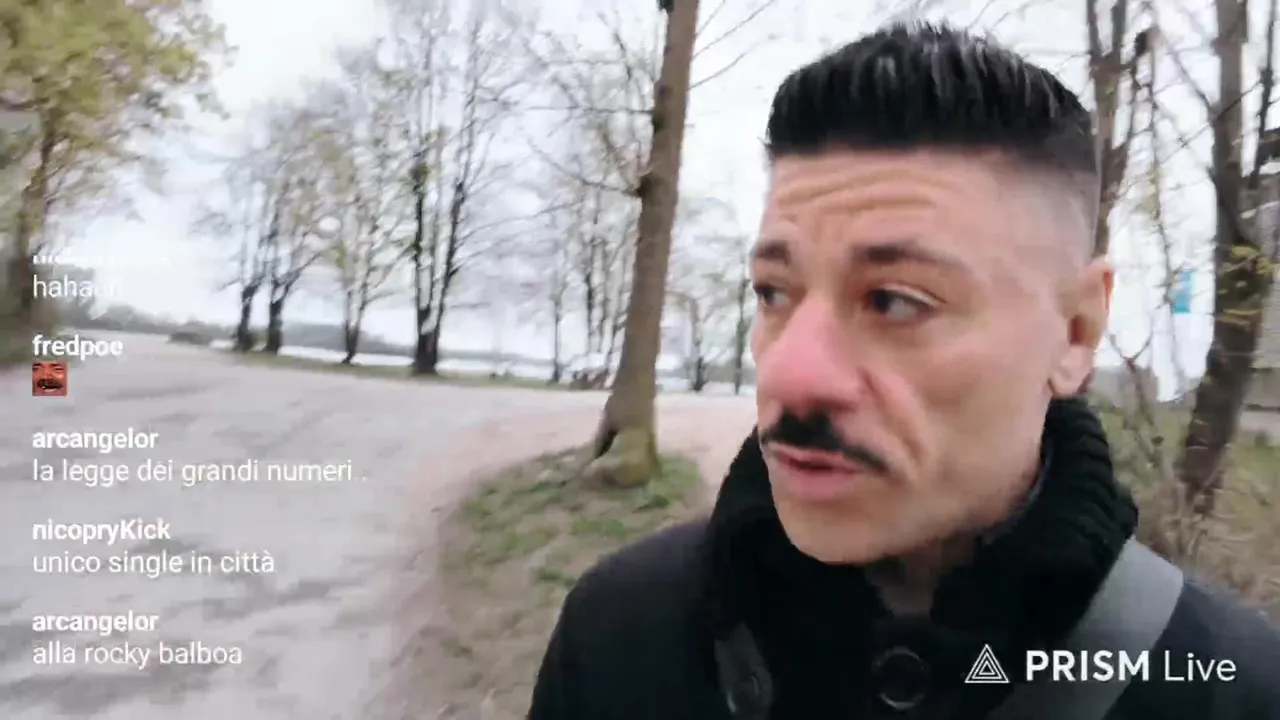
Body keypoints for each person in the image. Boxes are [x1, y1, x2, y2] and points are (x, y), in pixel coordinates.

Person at [527, 21, 1280, 720]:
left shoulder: (1232, 688)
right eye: (774, 293)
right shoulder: (620, 637)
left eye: (895, 300)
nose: (790, 374)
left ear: (1076, 330)